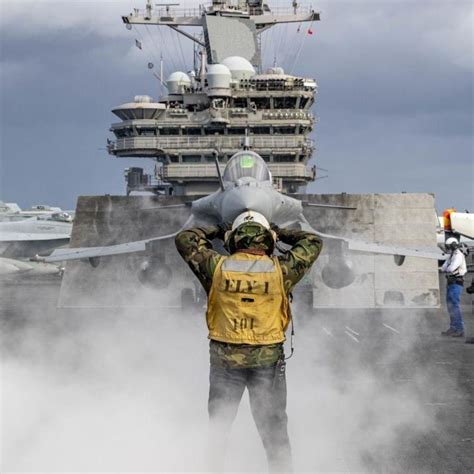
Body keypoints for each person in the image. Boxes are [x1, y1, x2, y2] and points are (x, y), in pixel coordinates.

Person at [175, 211, 322, 472]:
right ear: (266, 241)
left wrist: (219, 230)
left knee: (218, 430)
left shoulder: (216, 268)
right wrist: (280, 232)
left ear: (234, 240)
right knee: (274, 430)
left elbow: (185, 238)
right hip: (267, 363)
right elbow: (313, 241)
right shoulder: (281, 271)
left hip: (224, 363)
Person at [440, 237, 467, 337]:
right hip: (451, 282)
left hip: (456, 282)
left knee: (455, 306)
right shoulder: (452, 255)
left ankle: (460, 329)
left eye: (449, 246)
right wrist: (446, 268)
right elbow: (444, 267)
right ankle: (453, 327)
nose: (448, 248)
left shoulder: (458, 255)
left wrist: (446, 269)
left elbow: (450, 268)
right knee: (450, 306)